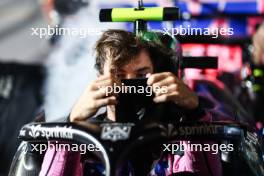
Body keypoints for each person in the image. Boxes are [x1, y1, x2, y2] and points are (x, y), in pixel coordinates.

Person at [40, 29, 236, 176]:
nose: (130, 84)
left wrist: (195, 112)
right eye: (118, 75)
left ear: (158, 76)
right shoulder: (81, 138)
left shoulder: (179, 133)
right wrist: (71, 126)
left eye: (141, 75)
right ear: (99, 78)